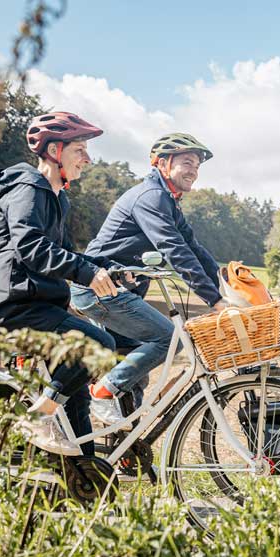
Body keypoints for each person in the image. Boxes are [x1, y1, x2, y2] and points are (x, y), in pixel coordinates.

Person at [0, 111, 124, 455]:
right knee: (98, 345)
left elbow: (61, 252)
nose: (88, 160)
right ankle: (36, 418)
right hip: (16, 305)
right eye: (80, 150)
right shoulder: (28, 188)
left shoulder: (56, 198)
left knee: (75, 400)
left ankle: (85, 476)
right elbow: (32, 247)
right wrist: (87, 274)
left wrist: (108, 267)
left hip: (38, 303)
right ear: (55, 151)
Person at [70, 133, 227, 425]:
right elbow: (175, 251)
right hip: (99, 288)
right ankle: (102, 393)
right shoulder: (150, 197)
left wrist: (226, 285)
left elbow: (194, 248)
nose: (194, 170)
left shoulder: (168, 202)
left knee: (133, 372)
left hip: (117, 291)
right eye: (187, 162)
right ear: (162, 164)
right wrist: (215, 300)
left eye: (197, 165)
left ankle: (126, 452)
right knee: (168, 339)